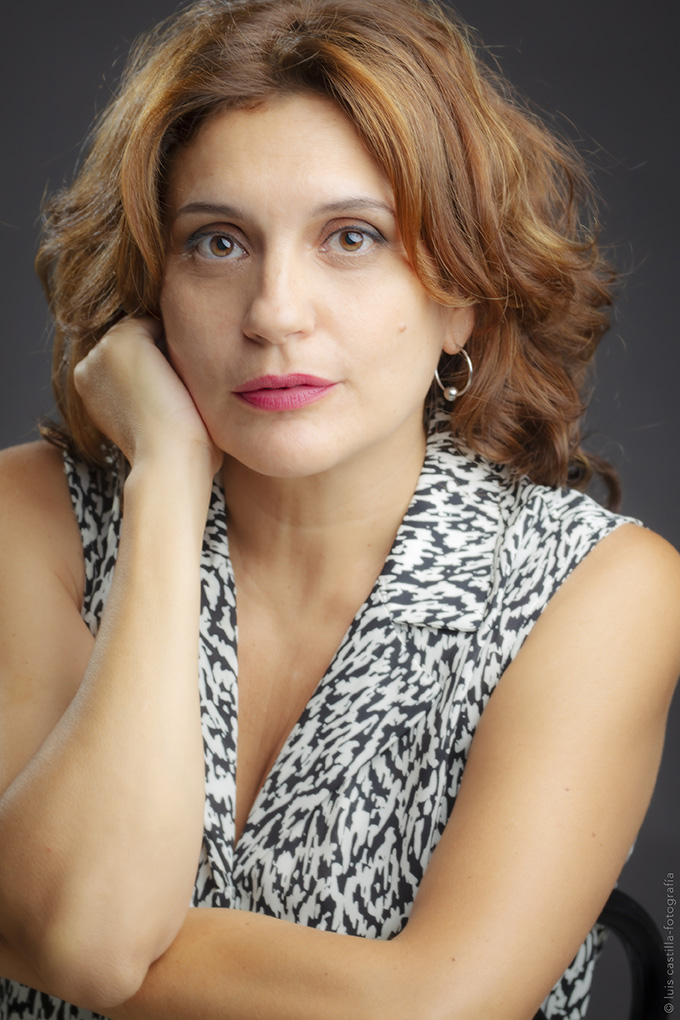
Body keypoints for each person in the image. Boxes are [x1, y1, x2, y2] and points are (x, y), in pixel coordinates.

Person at [0, 0, 678, 1017]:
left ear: (460, 295)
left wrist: (59, 931)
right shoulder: (29, 518)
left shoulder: (596, 589)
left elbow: (428, 1010)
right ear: (155, 290)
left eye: (351, 237)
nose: (275, 312)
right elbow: (74, 933)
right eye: (216, 243)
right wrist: (167, 486)